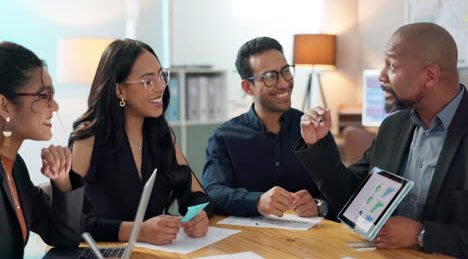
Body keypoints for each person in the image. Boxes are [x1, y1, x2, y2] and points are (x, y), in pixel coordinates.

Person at [295, 23, 468, 258]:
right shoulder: (393, 126)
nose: (381, 76)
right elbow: (352, 194)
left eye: (393, 66)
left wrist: (422, 234)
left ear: (430, 75)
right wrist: (317, 144)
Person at [69, 39, 214, 245]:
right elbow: (70, 222)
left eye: (161, 76)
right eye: (148, 81)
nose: (161, 86)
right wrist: (137, 231)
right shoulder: (88, 138)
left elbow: (196, 195)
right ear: (120, 90)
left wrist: (198, 216)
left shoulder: (162, 134)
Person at [202, 37, 339, 219]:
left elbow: (341, 192)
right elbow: (212, 193)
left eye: (286, 72)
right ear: (248, 87)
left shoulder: (315, 130)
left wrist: (320, 205)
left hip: (309, 242)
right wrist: (257, 202)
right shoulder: (224, 137)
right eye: (269, 77)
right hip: (247, 241)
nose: (283, 83)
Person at [0, 42, 86, 258]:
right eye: (44, 95)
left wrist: (62, 179)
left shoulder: (15, 167)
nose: (55, 106)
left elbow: (63, 237)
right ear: (4, 106)